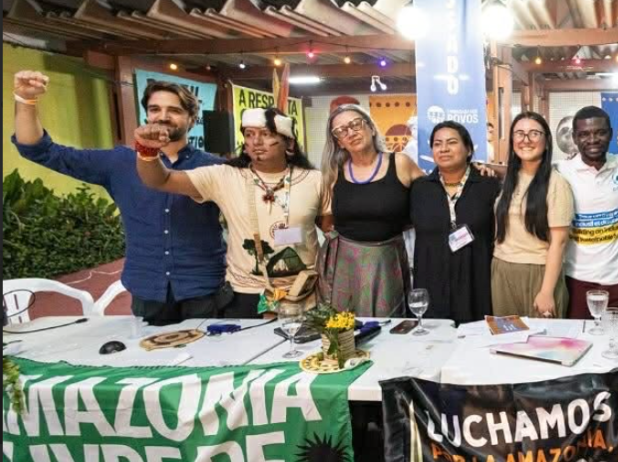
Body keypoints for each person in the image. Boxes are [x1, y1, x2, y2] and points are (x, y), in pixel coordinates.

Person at [11, 71, 229, 324]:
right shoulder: (119, 162)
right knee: (150, 361)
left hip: (204, 288)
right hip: (147, 288)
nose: (163, 116)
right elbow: (38, 150)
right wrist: (25, 101)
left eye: (175, 110)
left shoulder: (216, 167)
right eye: (155, 109)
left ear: (192, 119)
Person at [135, 107, 327, 318]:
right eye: (249, 134)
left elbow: (332, 230)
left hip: (306, 292)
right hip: (245, 294)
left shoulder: (314, 180)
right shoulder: (225, 177)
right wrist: (147, 151)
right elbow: (160, 180)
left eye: (266, 134)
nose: (256, 142)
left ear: (289, 143)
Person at [316, 104, 428, 316]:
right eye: (341, 131)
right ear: (338, 141)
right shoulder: (333, 173)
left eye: (355, 124)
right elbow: (324, 218)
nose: (350, 133)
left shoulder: (400, 163)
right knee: (344, 329)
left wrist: (477, 170)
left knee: (387, 327)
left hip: (386, 260)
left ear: (371, 128)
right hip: (344, 264)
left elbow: (433, 197)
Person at [555, 107, 618, 321]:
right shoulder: (560, 170)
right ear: (575, 138)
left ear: (611, 134)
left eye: (600, 132)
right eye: (584, 134)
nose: (592, 139)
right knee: (579, 344)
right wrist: (488, 170)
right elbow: (523, 173)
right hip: (576, 279)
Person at [410, 121, 501, 323]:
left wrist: (492, 168)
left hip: (476, 279)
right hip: (432, 280)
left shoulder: (489, 185)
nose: (443, 149)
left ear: (468, 149)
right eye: (437, 144)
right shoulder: (419, 189)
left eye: (451, 142)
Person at [492, 112, 573, 318]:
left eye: (534, 133)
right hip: (502, 269)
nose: (525, 140)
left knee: (543, 344)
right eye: (519, 133)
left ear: (546, 142)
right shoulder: (508, 180)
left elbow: (559, 242)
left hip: (538, 272)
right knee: (507, 342)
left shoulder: (556, 184)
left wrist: (546, 292)